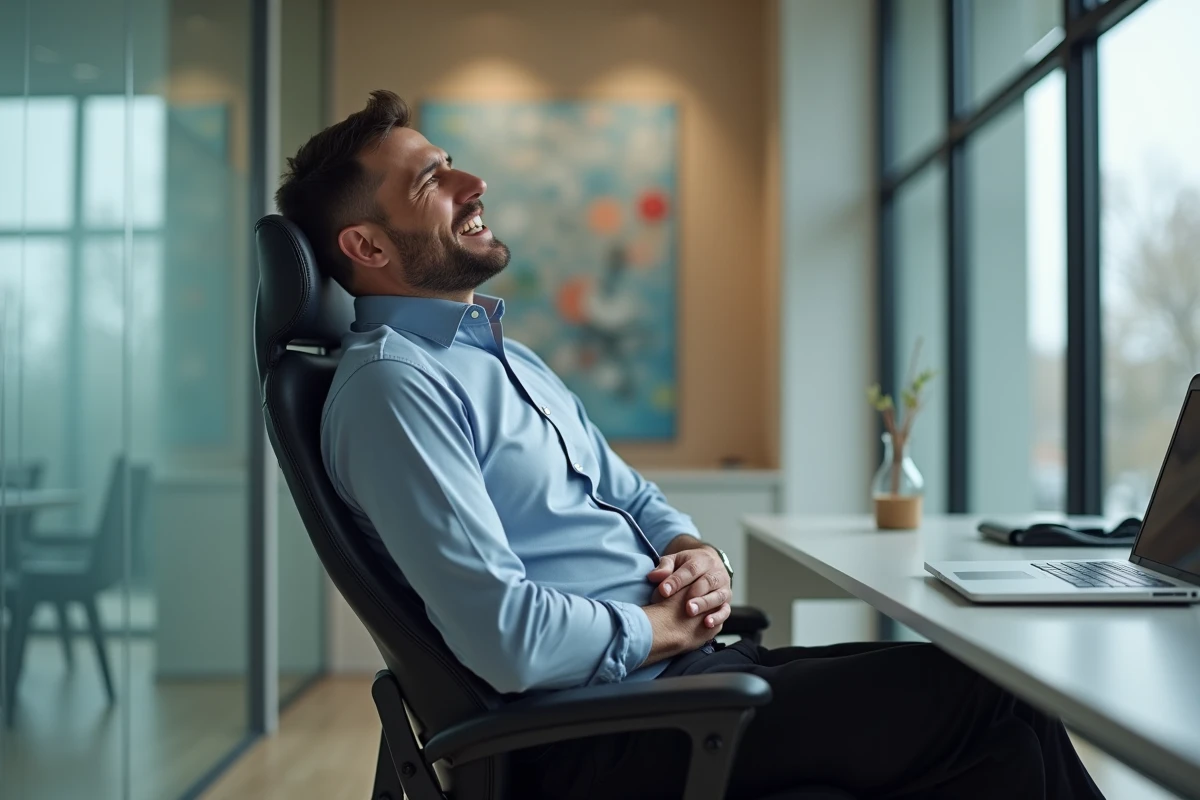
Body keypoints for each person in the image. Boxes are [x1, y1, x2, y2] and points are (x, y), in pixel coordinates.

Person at [276, 90, 1104, 800]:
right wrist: (665, 626)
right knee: (987, 704)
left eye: (451, 160)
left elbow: (632, 497)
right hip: (597, 733)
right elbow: (506, 639)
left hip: (677, 682)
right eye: (431, 179)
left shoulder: (501, 357)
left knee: (1002, 703)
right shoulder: (395, 388)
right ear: (369, 247)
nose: (473, 181)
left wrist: (692, 549)